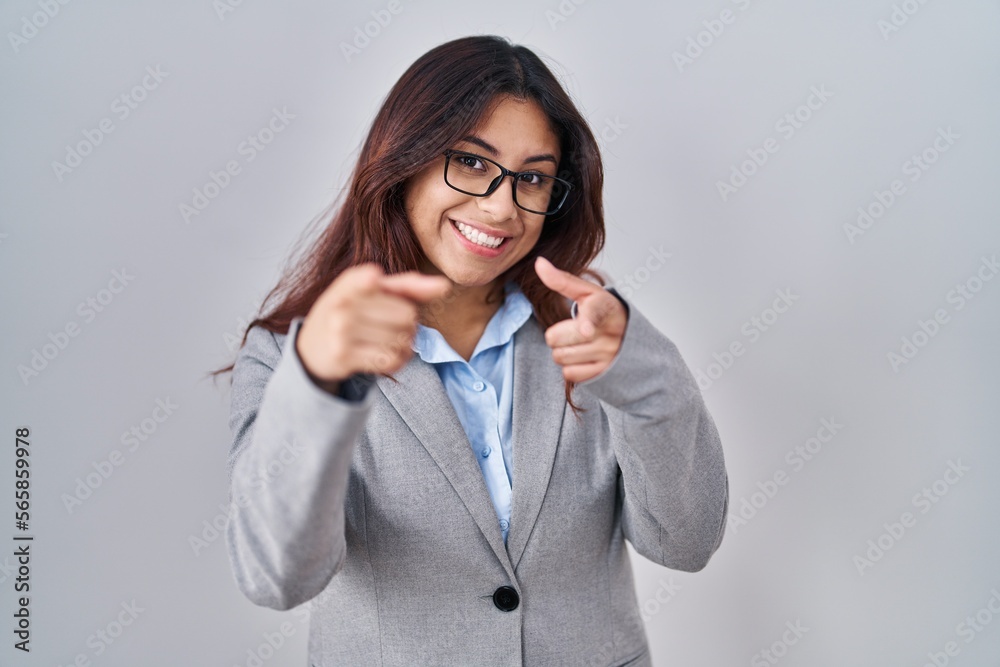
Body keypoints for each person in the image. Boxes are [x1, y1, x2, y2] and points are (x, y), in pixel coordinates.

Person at [212, 34, 729, 667]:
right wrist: (320, 384)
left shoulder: (591, 330)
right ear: (404, 164)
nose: (501, 206)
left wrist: (642, 376)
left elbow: (687, 541)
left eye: (532, 178)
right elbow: (278, 577)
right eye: (474, 162)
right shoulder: (294, 357)